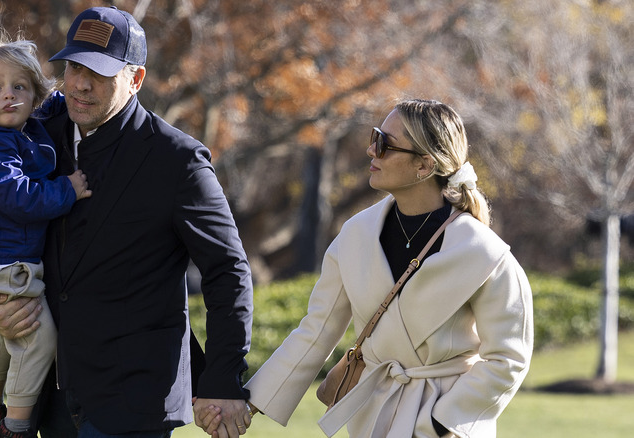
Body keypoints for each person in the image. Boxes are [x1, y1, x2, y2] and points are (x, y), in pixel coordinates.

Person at [0, 6, 255, 438]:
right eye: (74, 66)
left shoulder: (179, 162)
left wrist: (224, 379)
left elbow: (227, 271)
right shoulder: (34, 135)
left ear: (135, 80)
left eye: (98, 72)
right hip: (50, 400)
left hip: (134, 403)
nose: (80, 83)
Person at [200, 99, 534, 437]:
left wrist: (440, 421)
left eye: (385, 144)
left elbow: (508, 359)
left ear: (424, 165)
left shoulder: (486, 254)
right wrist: (246, 403)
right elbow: (316, 331)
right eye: (376, 137)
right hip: (374, 418)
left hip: (447, 426)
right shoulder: (356, 234)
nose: (371, 151)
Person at [0, 26, 91, 438]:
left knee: (2, 331)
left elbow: (48, 106)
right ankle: (15, 425)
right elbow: (21, 198)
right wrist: (67, 188)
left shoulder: (18, 129)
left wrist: (70, 95)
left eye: (20, 86)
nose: (9, 95)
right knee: (37, 337)